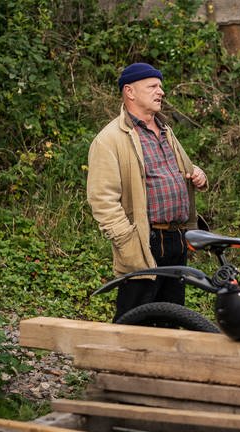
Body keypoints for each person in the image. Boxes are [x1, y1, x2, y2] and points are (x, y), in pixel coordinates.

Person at [87, 62, 208, 322]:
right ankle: (118, 363)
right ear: (130, 92)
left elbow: (181, 170)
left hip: (176, 237)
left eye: (161, 86)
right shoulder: (109, 139)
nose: (161, 92)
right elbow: (102, 199)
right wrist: (126, 239)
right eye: (153, 86)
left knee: (171, 315)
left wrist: (198, 174)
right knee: (134, 317)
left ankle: (162, 364)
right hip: (143, 240)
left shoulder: (165, 130)